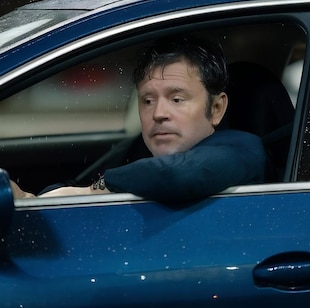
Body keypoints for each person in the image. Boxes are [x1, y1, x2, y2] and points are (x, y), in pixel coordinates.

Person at [10, 34, 267, 202]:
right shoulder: (136, 150)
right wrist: (29, 201)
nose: (158, 114)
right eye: (147, 100)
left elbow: (176, 175)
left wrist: (92, 191)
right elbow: (73, 186)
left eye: (177, 99)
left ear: (217, 108)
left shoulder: (243, 149)